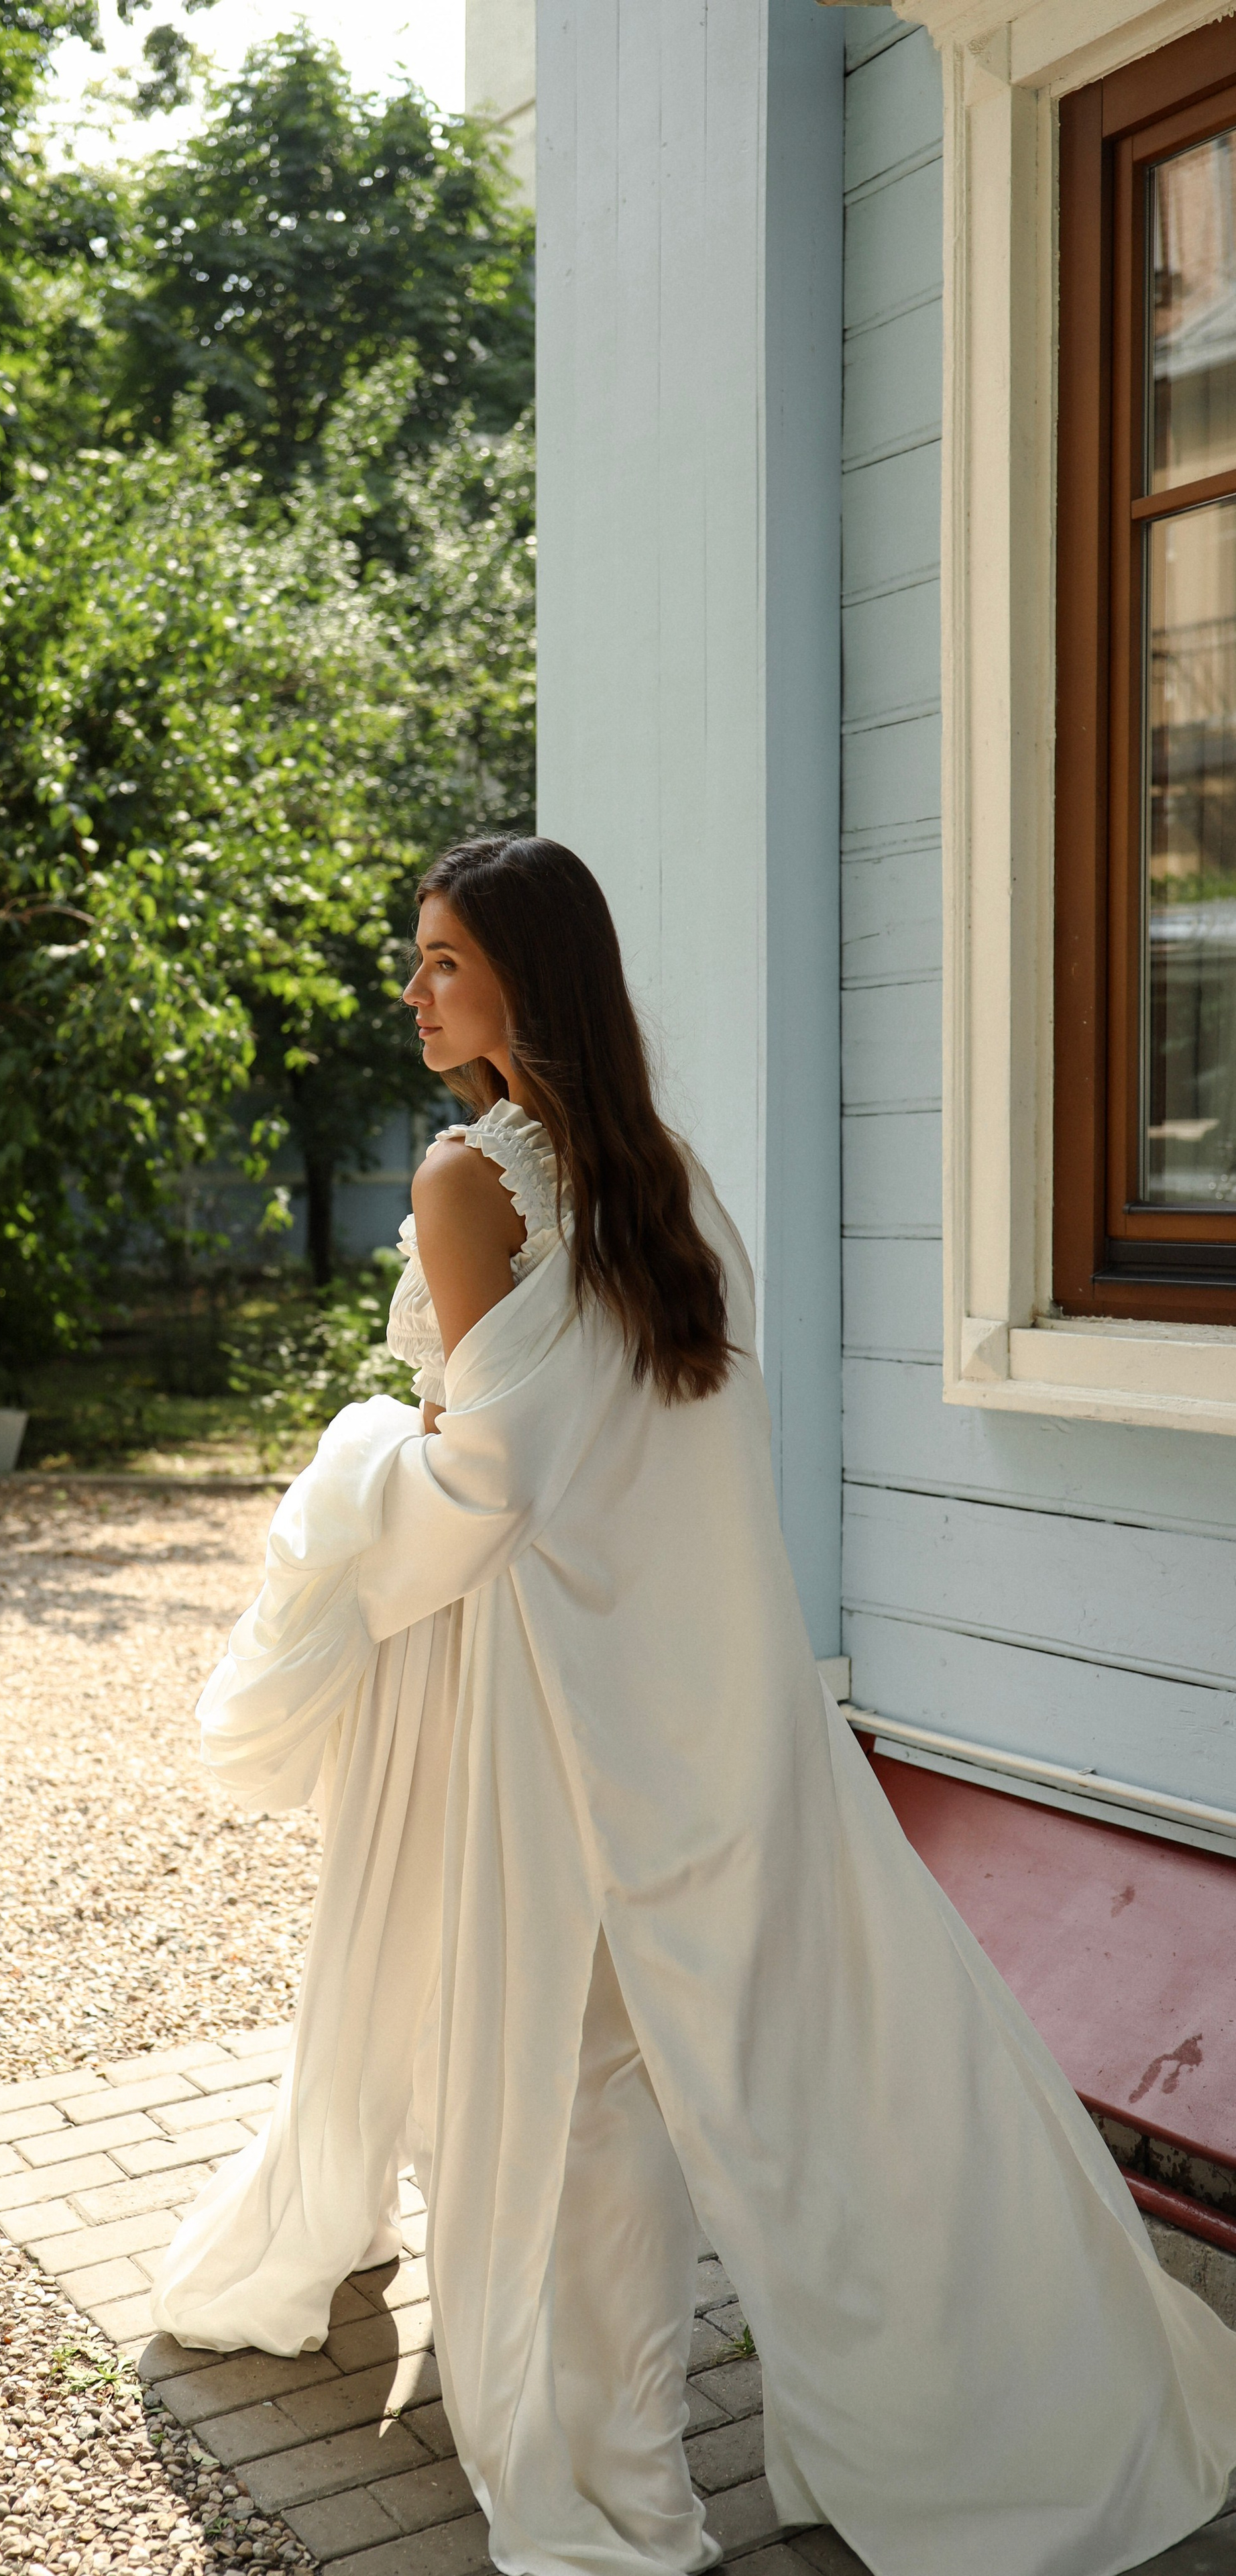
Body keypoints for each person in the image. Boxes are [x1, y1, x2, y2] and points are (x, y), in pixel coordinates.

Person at [152, 837, 1236, 2576]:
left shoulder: (467, 1181)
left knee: (571, 2075)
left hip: (541, 1702)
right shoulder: (665, 1179)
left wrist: (357, 1475)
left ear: (527, 978)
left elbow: (487, 1482)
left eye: (442, 960)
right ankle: (889, 2413)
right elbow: (689, 1457)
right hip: (694, 1692)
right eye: (416, 958)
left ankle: (608, 2470)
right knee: (717, 2074)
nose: (412, 989)